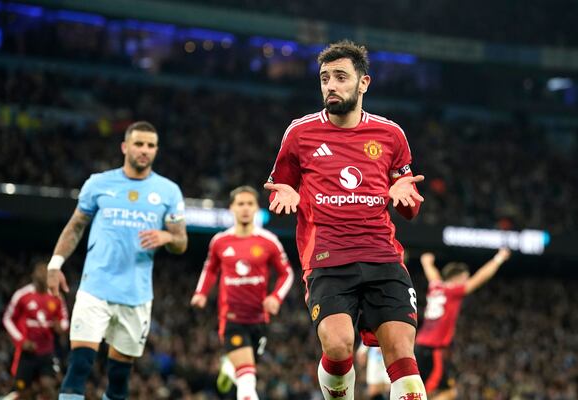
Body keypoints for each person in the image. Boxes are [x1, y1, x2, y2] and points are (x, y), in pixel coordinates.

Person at [264, 39, 427, 400]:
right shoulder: (300, 133)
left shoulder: (390, 134)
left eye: (340, 76)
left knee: (402, 352)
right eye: (325, 78)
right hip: (328, 259)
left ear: (363, 83)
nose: (331, 86)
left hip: (383, 258)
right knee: (338, 348)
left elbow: (409, 203)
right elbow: (280, 185)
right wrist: (284, 191)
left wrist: (405, 197)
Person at [46, 121, 188, 400]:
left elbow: (182, 242)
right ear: (125, 146)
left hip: (136, 295)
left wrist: (168, 238)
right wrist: (54, 264)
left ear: (156, 150)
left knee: (119, 378)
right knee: (79, 366)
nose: (144, 150)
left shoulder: (169, 191)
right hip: (94, 290)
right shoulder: (98, 183)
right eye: (138, 144)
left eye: (150, 145)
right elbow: (75, 226)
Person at [191, 186, 294, 400]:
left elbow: (287, 273)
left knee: (246, 368)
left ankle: (229, 367)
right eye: (240, 204)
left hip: (259, 318)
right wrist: (201, 293)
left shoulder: (268, 241)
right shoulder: (220, 241)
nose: (245, 208)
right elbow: (210, 269)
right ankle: (235, 370)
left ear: (256, 208)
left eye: (249, 204)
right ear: (232, 208)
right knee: (248, 380)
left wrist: (275, 297)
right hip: (231, 319)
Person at [415, 248, 511, 399]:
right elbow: (480, 278)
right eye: (465, 278)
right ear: (456, 278)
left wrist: (426, 262)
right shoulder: (453, 291)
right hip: (433, 349)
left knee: (425, 390)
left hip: (420, 346)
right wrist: (498, 258)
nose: (466, 281)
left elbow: (432, 275)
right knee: (442, 393)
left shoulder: (436, 287)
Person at [3, 261, 69, 400]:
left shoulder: (56, 297)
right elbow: (7, 319)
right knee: (24, 392)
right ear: (34, 277)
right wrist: (21, 341)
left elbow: (64, 320)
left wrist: (60, 327)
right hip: (27, 353)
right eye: (39, 276)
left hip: (47, 352)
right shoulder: (22, 295)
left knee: (48, 386)